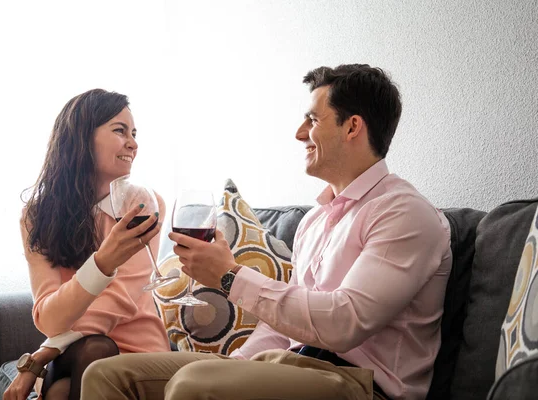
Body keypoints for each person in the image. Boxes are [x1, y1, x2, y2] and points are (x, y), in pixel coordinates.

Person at [80, 64, 452, 400]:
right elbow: (288, 328)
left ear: (352, 126)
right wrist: (235, 363)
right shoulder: (315, 221)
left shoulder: (404, 214)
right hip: (288, 365)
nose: (299, 133)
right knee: (107, 375)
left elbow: (344, 323)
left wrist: (229, 276)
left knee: (193, 386)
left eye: (312, 120)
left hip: (360, 386)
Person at [4, 89, 170, 400]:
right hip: (76, 350)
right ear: (81, 138)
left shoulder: (143, 205)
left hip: (137, 350)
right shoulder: (37, 216)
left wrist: (40, 356)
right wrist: (102, 262)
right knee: (93, 349)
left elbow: (119, 300)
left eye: (134, 133)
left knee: (65, 389)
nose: (133, 143)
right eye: (120, 131)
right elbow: (49, 318)